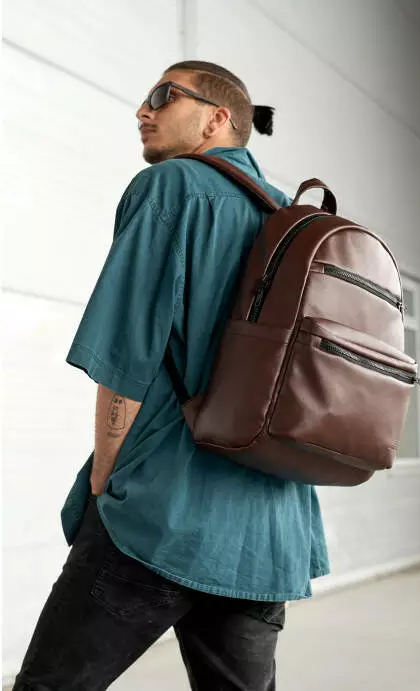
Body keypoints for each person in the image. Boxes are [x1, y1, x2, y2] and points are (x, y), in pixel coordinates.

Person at [13, 60, 330, 691]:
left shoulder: (172, 187)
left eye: (164, 96)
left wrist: (105, 476)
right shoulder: (288, 216)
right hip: (266, 527)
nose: (143, 110)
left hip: (164, 507)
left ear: (218, 118)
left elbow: (126, 349)